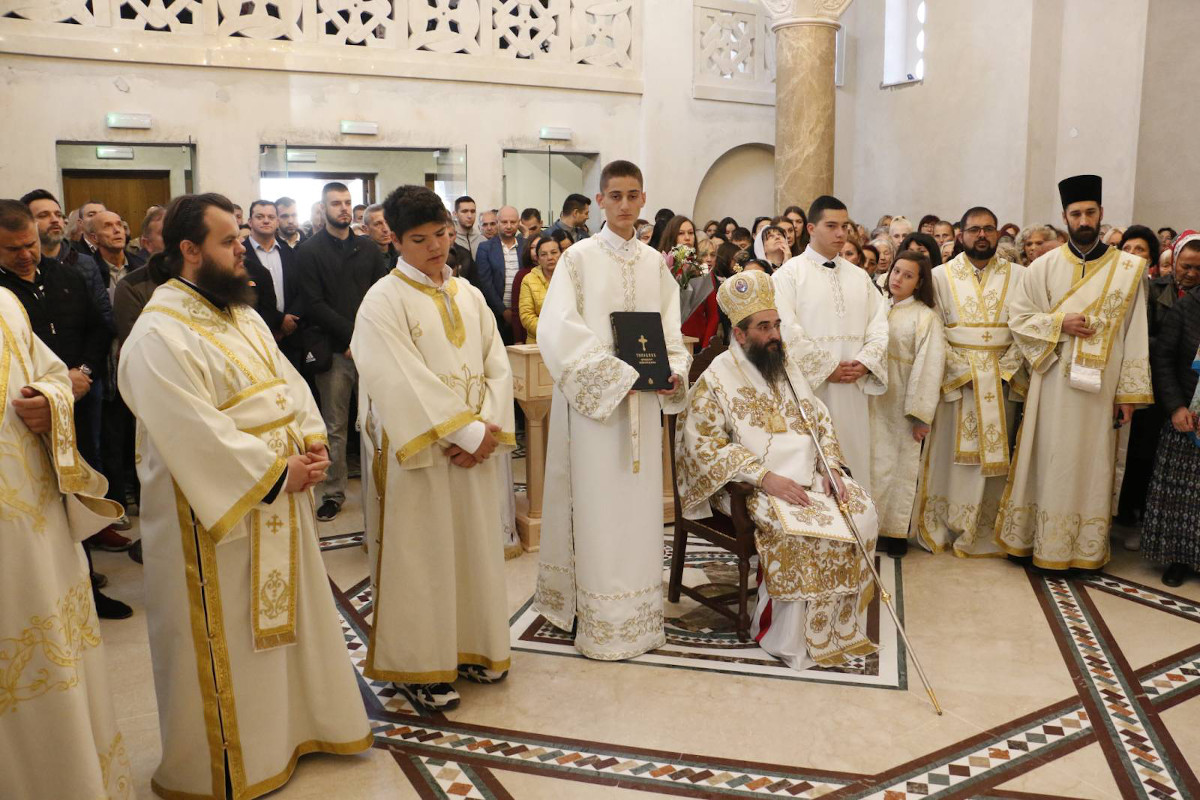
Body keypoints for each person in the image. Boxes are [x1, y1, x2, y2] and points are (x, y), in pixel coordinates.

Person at [117, 193, 372, 798]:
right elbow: (192, 431)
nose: (243, 251)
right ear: (189, 250)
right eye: (230, 241)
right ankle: (236, 758)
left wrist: (311, 444)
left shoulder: (243, 315)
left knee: (290, 627)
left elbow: (287, 385)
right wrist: (278, 472)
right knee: (230, 637)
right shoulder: (158, 333)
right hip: (217, 518)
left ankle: (298, 729)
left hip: (281, 496)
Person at [352, 184, 515, 710]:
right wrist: (465, 433)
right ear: (395, 240)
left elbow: (497, 362)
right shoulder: (383, 300)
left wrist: (486, 429)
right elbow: (400, 378)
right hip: (421, 453)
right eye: (419, 239)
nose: (436, 247)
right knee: (422, 556)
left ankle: (470, 646)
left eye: (442, 234)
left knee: (470, 548)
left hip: (473, 449)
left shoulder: (468, 294)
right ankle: (417, 666)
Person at [675, 269, 880, 670]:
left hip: (810, 474)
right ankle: (785, 633)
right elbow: (703, 445)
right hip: (751, 485)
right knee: (800, 530)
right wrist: (765, 478)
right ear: (740, 333)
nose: (774, 335)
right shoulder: (716, 379)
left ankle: (836, 625)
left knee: (861, 510)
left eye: (777, 325)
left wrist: (832, 466)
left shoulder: (787, 367)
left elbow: (819, 420)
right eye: (764, 327)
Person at [534, 160, 690, 661]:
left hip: (642, 407)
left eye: (633, 195)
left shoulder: (654, 264)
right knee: (596, 505)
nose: (625, 205)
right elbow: (557, 329)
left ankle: (639, 617)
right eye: (615, 196)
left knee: (640, 511)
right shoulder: (578, 258)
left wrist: (676, 370)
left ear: (644, 199)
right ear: (599, 201)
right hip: (596, 410)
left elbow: (670, 330)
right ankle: (596, 616)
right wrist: (614, 377)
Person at [0, 261, 130, 798]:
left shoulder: (5, 306)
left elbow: (58, 375)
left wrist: (48, 402)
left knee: (51, 646)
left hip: (37, 523)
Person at [997, 175, 1152, 570]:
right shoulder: (1042, 267)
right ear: (1065, 217)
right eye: (1076, 213)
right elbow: (1018, 319)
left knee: (1090, 462)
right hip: (1052, 385)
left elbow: (1136, 334)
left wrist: (1128, 396)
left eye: (1090, 213)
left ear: (1101, 215)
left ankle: (1081, 549)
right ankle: (1037, 541)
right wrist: (1059, 324)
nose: (1083, 220)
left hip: (1101, 390)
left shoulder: (1129, 269)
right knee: (1048, 457)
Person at [914, 207, 1027, 557]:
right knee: (949, 456)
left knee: (993, 462)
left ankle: (985, 526)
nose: (982, 235)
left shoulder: (1022, 276)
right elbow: (932, 329)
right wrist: (962, 372)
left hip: (1002, 381)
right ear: (961, 234)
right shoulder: (938, 276)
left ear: (998, 235)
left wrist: (1004, 371)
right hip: (956, 385)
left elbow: (1025, 328)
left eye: (989, 229)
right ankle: (945, 524)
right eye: (975, 229)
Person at [773, 195, 889, 493]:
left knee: (855, 462)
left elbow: (879, 324)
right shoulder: (789, 275)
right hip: (810, 391)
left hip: (853, 394)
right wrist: (826, 368)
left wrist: (865, 362)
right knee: (814, 471)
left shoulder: (860, 277)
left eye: (845, 226)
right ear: (811, 228)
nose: (841, 233)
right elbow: (786, 329)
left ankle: (857, 532)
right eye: (832, 226)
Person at [296, 182, 389, 521]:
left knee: (376, 421)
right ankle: (333, 493)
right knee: (334, 426)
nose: (344, 209)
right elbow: (313, 304)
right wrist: (352, 337)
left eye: (348, 202)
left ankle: (381, 482)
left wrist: (365, 338)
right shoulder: (309, 252)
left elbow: (382, 295)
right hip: (335, 352)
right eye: (336, 203)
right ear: (324, 209)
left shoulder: (367, 249)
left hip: (371, 349)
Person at [869, 250, 945, 556]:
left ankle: (896, 532)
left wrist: (920, 414)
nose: (898, 278)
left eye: (907, 275)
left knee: (898, 465)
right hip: (872, 398)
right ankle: (869, 525)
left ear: (919, 282)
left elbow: (929, 366)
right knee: (873, 464)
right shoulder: (877, 307)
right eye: (896, 271)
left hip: (902, 402)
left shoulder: (925, 317)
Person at [1141, 279, 1200, 586]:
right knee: (1183, 497)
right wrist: (1176, 406)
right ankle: (1179, 559)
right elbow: (1162, 360)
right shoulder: (1187, 306)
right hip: (1188, 415)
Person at [1113, 225, 1166, 537]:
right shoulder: (1111, 288)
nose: (1132, 255)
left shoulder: (1159, 291)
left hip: (1150, 386)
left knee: (1140, 452)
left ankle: (1131, 513)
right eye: (1127, 249)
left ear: (1152, 260)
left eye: (1140, 250)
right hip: (1113, 382)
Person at [242, 200, 305, 372]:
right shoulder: (240, 253)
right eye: (260, 217)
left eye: (271, 217)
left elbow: (303, 288)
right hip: (255, 337)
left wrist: (290, 319)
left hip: (291, 336)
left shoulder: (289, 252)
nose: (266, 221)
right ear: (250, 222)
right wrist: (277, 321)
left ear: (277, 222)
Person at [662, 214, 719, 348]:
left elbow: (713, 316)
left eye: (691, 233)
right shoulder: (663, 266)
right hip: (668, 342)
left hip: (697, 344)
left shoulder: (701, 270)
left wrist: (705, 348)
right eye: (681, 233)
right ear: (672, 236)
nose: (687, 237)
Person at [475, 205, 525, 345]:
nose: (508, 226)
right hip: (495, 314)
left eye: (513, 222)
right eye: (504, 222)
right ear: (497, 223)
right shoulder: (486, 248)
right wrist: (503, 311)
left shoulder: (525, 245)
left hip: (522, 312)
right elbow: (485, 283)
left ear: (518, 223)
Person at [519, 235, 561, 345]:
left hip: (567, 341)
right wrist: (550, 331)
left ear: (561, 254)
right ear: (537, 259)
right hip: (538, 343)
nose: (550, 257)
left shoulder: (571, 277)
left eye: (554, 252)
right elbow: (527, 316)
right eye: (544, 254)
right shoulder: (528, 280)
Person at [363, 202, 399, 268]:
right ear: (366, 229)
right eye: (378, 224)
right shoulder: (360, 258)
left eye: (387, 222)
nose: (385, 229)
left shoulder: (401, 255)